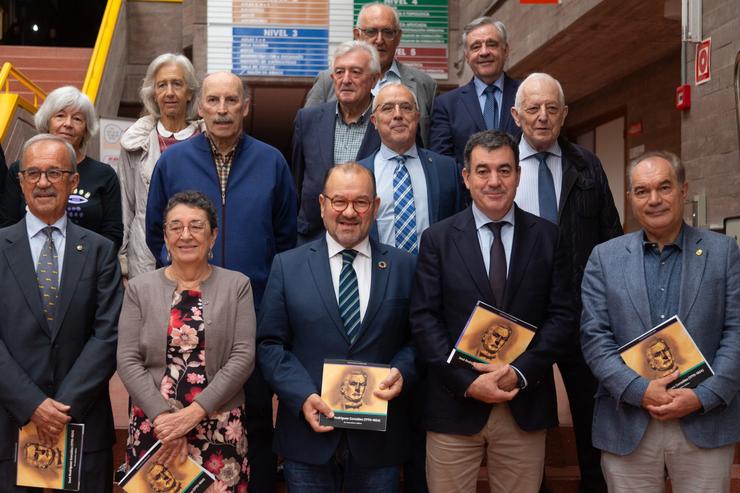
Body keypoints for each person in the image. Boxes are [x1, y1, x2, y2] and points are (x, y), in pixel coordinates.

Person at [145, 71, 295, 493]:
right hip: (186, 319)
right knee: (188, 414)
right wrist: (184, 286)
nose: (223, 109)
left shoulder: (272, 161)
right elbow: (156, 232)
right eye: (213, 100)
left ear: (246, 106)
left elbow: (286, 237)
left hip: (257, 311)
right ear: (200, 107)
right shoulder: (173, 162)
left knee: (257, 419)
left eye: (232, 100)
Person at [409, 130, 577, 493]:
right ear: (466, 178)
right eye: (483, 171)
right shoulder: (437, 240)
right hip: (454, 403)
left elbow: (563, 316)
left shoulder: (549, 237)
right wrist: (467, 382)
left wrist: (518, 372)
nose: (494, 181)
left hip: (524, 402)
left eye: (504, 170)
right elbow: (424, 320)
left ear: (518, 175)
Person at [580, 151, 740, 492]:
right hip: (628, 421)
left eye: (664, 187)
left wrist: (704, 396)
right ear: (630, 198)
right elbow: (595, 338)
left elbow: (736, 331)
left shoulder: (724, 253)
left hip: (704, 418)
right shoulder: (604, 258)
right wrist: (640, 391)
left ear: (683, 190)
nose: (654, 199)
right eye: (642, 191)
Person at [257, 162, 418, 492]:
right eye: (339, 201)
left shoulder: (404, 266)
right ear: (322, 204)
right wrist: (302, 395)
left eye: (360, 202)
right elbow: (270, 344)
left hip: (378, 444)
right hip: (307, 439)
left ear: (375, 207)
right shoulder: (288, 266)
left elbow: (418, 340)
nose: (349, 212)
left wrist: (402, 372)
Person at [510, 72, 622, 492]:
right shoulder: (500, 165)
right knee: (524, 423)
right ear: (516, 115)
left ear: (564, 114)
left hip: (580, 315)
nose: (542, 117)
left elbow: (610, 235)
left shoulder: (585, 164)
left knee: (592, 418)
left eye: (552, 108)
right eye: (533, 109)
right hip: (520, 316)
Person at [0, 134, 122, 492]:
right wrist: (32, 403)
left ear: (74, 181)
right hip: (10, 424)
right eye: (33, 173)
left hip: (81, 425)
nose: (42, 182)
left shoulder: (100, 251)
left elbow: (108, 334)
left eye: (54, 172)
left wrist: (61, 407)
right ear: (20, 181)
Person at [118, 190, 255, 492]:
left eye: (196, 225)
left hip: (219, 425)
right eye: (175, 226)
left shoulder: (237, 285)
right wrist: (166, 419)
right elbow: (127, 359)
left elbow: (243, 356)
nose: (186, 235)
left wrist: (194, 414)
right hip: (156, 425)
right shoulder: (140, 288)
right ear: (165, 236)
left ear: (213, 235)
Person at [0, 86, 123, 250]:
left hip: (88, 266)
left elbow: (112, 232)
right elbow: (7, 223)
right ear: (47, 121)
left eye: (77, 119)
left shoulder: (104, 174)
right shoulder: (21, 169)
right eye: (60, 116)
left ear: (86, 128)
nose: (68, 124)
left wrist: (91, 262)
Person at [304, 2, 437, 146]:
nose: (379, 40)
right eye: (371, 31)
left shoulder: (425, 85)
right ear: (357, 35)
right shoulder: (328, 81)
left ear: (398, 37)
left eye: (388, 32)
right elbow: (308, 132)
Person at [117, 53, 201, 279]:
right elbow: (126, 207)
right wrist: (123, 263)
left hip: (197, 252)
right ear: (153, 93)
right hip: (145, 256)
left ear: (190, 91)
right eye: (162, 85)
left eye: (177, 84)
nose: (170, 92)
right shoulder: (135, 143)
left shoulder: (206, 141)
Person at [292, 41, 381, 243]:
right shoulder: (307, 120)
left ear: (375, 79)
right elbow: (297, 183)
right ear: (332, 78)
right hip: (313, 238)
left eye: (356, 72)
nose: (346, 80)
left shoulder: (386, 121)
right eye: (340, 72)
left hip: (369, 239)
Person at [359, 82, 463, 253]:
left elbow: (458, 229)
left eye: (406, 107)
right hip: (378, 274)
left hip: (434, 273)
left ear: (417, 116)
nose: (398, 115)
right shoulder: (360, 173)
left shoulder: (446, 169)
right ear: (374, 121)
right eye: (387, 108)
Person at [430, 17, 521, 169]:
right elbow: (443, 161)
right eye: (476, 47)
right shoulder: (446, 105)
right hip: (467, 191)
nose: (484, 52)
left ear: (505, 50)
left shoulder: (526, 95)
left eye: (492, 44)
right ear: (467, 57)